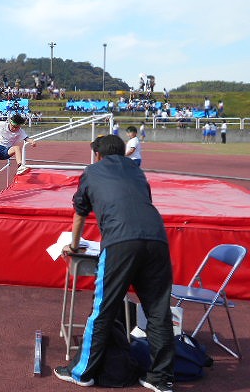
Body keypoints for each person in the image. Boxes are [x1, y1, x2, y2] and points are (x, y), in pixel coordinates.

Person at [54, 134, 174, 392]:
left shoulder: (92, 171)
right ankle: (160, 378)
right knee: (158, 312)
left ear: (97, 155)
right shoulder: (137, 171)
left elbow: (80, 215)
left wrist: (74, 246)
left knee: (103, 309)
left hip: (121, 242)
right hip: (157, 239)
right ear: (123, 152)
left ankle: (82, 372)